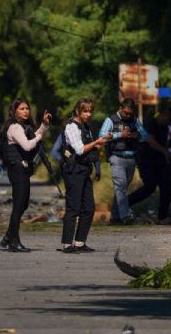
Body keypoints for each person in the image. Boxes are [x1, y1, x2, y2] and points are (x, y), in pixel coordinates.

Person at [0, 98, 51, 252]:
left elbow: (32, 136)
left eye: (27, 108)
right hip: (17, 170)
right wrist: (40, 136)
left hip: (22, 170)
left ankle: (9, 236)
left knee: (23, 204)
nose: (26, 111)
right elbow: (28, 145)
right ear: (14, 111)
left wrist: (44, 125)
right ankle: (13, 241)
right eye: (22, 109)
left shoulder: (22, 126)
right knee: (18, 206)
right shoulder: (14, 127)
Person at [59, 98, 110, 253]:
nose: (88, 114)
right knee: (73, 207)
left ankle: (80, 242)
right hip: (73, 171)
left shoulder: (86, 127)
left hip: (84, 170)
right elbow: (80, 149)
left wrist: (98, 145)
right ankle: (67, 244)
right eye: (85, 111)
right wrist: (96, 143)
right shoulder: (71, 127)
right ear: (77, 111)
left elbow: (90, 149)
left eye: (90, 111)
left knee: (88, 207)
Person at [98, 98, 148, 224]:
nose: (128, 115)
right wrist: (120, 135)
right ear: (120, 108)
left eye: (130, 113)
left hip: (131, 158)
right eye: (126, 113)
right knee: (120, 187)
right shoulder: (111, 120)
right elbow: (101, 136)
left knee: (122, 189)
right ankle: (126, 216)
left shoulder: (135, 120)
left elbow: (145, 135)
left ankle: (115, 217)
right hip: (116, 158)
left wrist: (138, 135)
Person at [127, 108, 171, 223]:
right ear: (163, 115)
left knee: (167, 186)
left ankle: (163, 215)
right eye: (168, 119)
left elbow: (163, 142)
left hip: (160, 161)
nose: (169, 122)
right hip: (147, 160)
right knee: (150, 187)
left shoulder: (164, 127)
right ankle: (126, 203)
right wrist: (165, 151)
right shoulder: (151, 124)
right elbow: (151, 141)